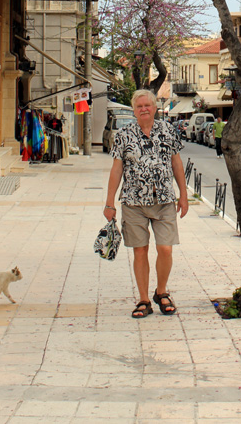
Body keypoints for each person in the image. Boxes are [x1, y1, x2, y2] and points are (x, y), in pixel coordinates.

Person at [104, 89, 189, 319]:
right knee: (140, 251)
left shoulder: (168, 131)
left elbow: (176, 163)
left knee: (165, 248)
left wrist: (183, 195)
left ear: (154, 108)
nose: (143, 109)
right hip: (134, 202)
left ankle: (161, 292)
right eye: (139, 106)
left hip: (164, 200)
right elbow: (116, 169)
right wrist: (109, 203)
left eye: (147, 105)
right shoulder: (124, 135)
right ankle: (143, 300)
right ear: (134, 110)